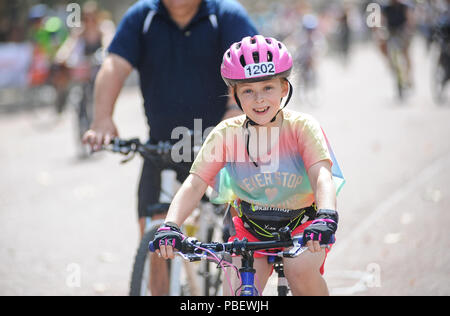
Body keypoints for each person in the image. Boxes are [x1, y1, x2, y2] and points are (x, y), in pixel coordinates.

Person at [82, 0, 257, 295]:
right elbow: (114, 65)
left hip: (221, 146)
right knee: (154, 240)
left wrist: (233, 111)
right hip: (162, 148)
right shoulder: (143, 16)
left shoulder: (227, 15)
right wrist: (101, 118)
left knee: (243, 240)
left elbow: (248, 66)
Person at [152, 35, 345, 296]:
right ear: (234, 95)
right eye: (248, 91)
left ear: (284, 88)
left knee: (298, 269)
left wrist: (326, 216)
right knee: (237, 293)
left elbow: (321, 175)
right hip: (250, 228)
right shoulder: (225, 133)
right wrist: (171, 225)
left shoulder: (303, 127)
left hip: (305, 223)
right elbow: (195, 183)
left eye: (268, 88)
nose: (259, 99)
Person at [375, 0, 415, 88]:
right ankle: (389, 63)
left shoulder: (404, 6)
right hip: (391, 32)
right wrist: (379, 31)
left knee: (405, 52)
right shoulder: (386, 8)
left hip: (402, 31)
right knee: (382, 45)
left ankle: (408, 76)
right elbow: (380, 20)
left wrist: (408, 29)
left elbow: (410, 20)